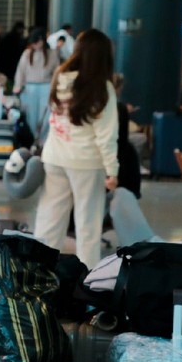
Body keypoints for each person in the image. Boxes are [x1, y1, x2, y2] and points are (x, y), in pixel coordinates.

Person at [33, 29, 121, 268]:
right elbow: (106, 135)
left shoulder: (61, 77)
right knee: (88, 227)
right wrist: (112, 171)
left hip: (55, 157)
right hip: (86, 163)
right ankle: (86, 280)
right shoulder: (102, 87)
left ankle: (37, 274)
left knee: (49, 223)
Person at [13, 26, 58, 139]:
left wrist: (55, 88)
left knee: (45, 115)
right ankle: (33, 138)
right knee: (31, 115)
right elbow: (20, 71)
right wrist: (18, 85)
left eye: (37, 42)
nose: (35, 45)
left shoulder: (52, 53)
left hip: (46, 86)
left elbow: (56, 72)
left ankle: (42, 140)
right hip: (30, 87)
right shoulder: (27, 53)